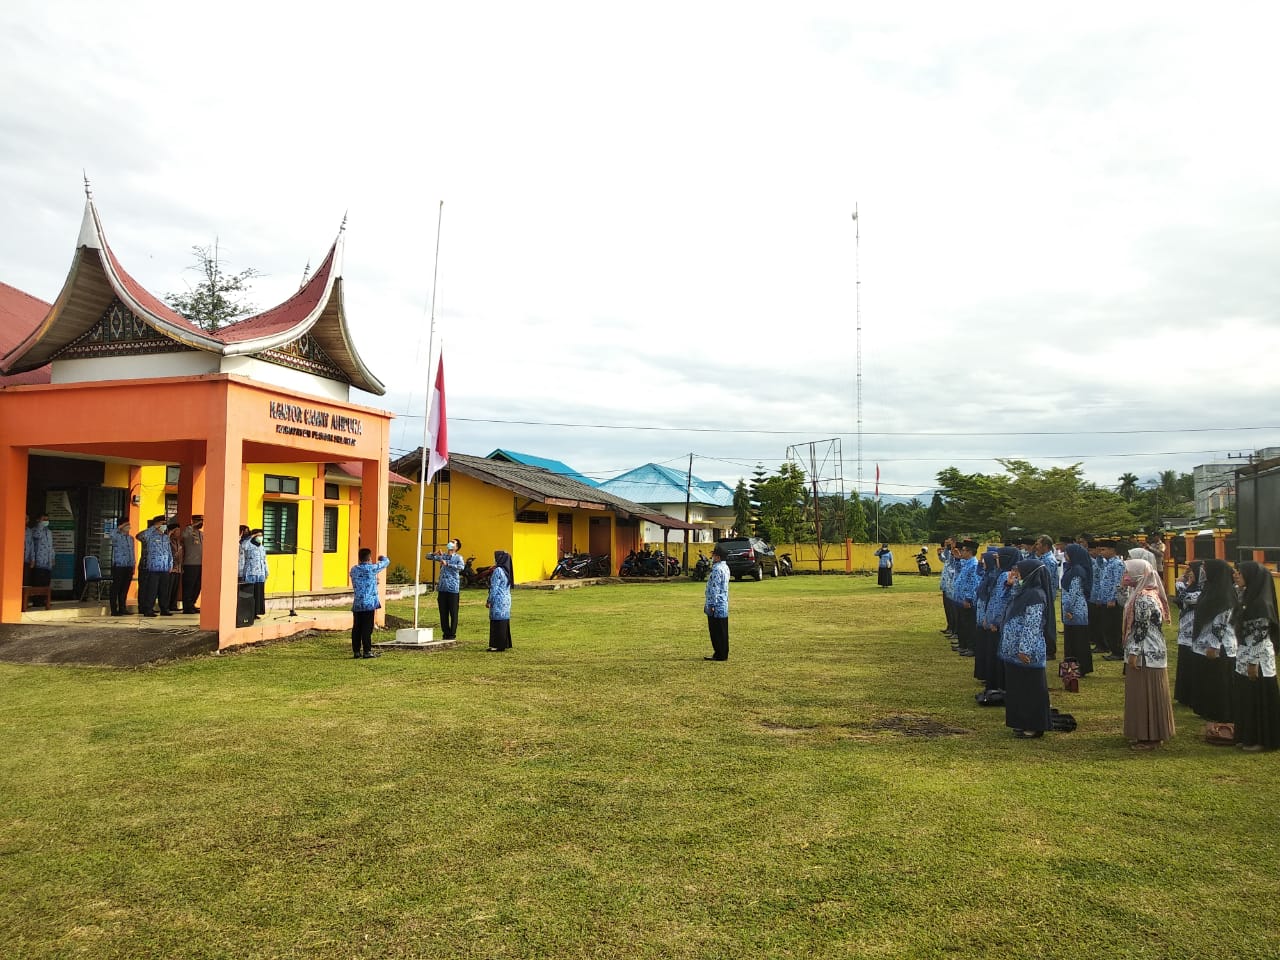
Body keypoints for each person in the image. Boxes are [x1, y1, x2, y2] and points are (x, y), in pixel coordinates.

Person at [1121, 558, 1174, 750]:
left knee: (1146, 694)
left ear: (1137, 574)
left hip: (1145, 652)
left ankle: (1149, 737)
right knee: (1148, 694)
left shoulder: (1143, 597)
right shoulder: (1147, 592)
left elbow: (1141, 628)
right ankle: (1148, 733)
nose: (1124, 576)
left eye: (1127, 572)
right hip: (1153, 651)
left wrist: (1133, 652)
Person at [999, 558, 1054, 739]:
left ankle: (1033, 725)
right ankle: (1021, 721)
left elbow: (1032, 625)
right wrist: (1011, 583)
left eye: (1020, 573)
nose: (1017, 576)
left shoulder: (1036, 596)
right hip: (1012, 649)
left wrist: (1025, 649)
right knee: (1018, 689)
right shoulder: (1024, 592)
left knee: (1031, 689)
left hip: (1026, 651)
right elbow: (1008, 599)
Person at [1232, 562, 1280, 752]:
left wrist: (1253, 663)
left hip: (1258, 658)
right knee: (1247, 697)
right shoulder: (1246, 596)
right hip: (1244, 654)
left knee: (1259, 699)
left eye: (1240, 573)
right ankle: (1247, 736)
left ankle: (1262, 739)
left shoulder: (1261, 604)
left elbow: (1260, 635)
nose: (1236, 575)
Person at [1191, 558, 1240, 725]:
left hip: (1220, 646)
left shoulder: (1224, 593)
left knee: (1221, 681)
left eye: (1205, 568)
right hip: (1205, 643)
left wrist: (1214, 645)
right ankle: (1208, 709)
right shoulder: (1210, 588)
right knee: (1209, 679)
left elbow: (1221, 621)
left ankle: (1222, 713)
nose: (1202, 571)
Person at [1172, 561, 1205, 709]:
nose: (1188, 573)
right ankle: (1183, 695)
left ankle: (1192, 695)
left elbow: (1187, 599)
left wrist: (1181, 584)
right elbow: (1179, 600)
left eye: (1191, 571)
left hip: (1194, 631)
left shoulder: (1203, 589)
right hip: (1185, 630)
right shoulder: (1191, 587)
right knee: (1184, 661)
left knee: (1192, 662)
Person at [349, 547, 390, 658]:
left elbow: (361, 581)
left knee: (357, 627)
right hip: (369, 604)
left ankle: (356, 651)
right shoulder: (371, 568)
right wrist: (382, 557)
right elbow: (386, 562)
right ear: (369, 558)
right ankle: (367, 651)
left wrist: (373, 581)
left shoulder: (354, 569)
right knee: (367, 628)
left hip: (357, 603)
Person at [1059, 542, 1094, 676]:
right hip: (1074, 609)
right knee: (1072, 639)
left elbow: (1073, 592)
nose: (1065, 555)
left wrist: (1068, 609)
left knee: (1078, 640)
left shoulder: (1077, 571)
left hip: (1075, 610)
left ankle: (1078, 667)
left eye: (1067, 553)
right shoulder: (1072, 568)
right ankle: (1071, 667)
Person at [425, 538, 465, 640]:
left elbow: (461, 567)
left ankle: (452, 634)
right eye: (450, 542)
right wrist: (435, 553)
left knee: (453, 612)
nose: (450, 544)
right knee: (443, 612)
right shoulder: (443, 556)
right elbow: (428, 556)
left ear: (456, 547)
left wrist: (448, 564)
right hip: (442, 588)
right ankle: (445, 632)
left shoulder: (458, 557)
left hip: (453, 589)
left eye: (453, 543)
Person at [135, 515, 173, 617]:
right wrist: (154, 527)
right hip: (153, 567)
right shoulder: (149, 536)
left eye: (165, 524)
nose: (164, 526)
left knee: (164, 590)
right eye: (162, 523)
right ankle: (148, 609)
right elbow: (139, 536)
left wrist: (170, 564)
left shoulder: (165, 537)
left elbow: (169, 552)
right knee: (151, 590)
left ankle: (164, 609)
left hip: (164, 567)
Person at [952, 539, 980, 657]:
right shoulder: (966, 562)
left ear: (969, 552)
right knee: (961, 623)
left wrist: (968, 598)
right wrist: (957, 558)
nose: (961, 552)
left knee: (969, 624)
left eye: (963, 551)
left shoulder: (974, 565)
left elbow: (974, 583)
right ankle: (962, 644)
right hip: (959, 598)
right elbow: (957, 570)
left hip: (966, 600)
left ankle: (970, 647)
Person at [703, 543, 729, 661]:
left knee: (716, 630)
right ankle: (723, 653)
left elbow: (715, 588)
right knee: (723, 630)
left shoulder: (717, 569)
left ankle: (719, 653)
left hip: (716, 604)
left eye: (713, 555)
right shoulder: (726, 567)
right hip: (723, 603)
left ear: (718, 557)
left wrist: (712, 604)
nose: (712, 557)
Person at [486, 549, 515, 652]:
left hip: (498, 599)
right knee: (504, 621)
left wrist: (489, 600)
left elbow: (494, 587)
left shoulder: (498, 571)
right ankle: (504, 642)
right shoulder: (507, 571)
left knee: (496, 622)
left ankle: (496, 645)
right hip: (506, 599)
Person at [239, 528, 269, 620]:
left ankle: (256, 612)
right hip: (250, 573)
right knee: (250, 594)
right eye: (258, 536)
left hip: (260, 574)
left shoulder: (261, 547)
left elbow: (264, 560)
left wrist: (266, 571)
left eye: (261, 536)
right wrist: (250, 537)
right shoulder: (248, 545)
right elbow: (243, 546)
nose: (260, 537)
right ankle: (249, 613)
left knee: (258, 594)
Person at [108, 520, 136, 616]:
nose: (129, 526)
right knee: (116, 588)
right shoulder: (117, 537)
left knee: (125, 588)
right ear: (122, 526)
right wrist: (119, 527)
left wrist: (133, 564)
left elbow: (132, 553)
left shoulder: (130, 539)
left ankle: (122, 608)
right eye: (127, 525)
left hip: (128, 566)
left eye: (129, 524)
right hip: (119, 565)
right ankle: (114, 609)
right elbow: (110, 534)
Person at [181, 515, 204, 614]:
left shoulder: (201, 534)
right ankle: (187, 606)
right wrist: (192, 525)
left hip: (201, 564)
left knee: (197, 586)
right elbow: (183, 536)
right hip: (190, 564)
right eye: (199, 521)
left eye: (202, 521)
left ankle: (192, 604)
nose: (201, 523)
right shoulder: (189, 532)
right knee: (189, 586)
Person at [25, 511, 54, 590]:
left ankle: (44, 600)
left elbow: (51, 546)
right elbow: (37, 536)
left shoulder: (49, 532)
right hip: (39, 562)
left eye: (47, 520)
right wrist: (40, 525)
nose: (46, 521)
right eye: (43, 519)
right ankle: (37, 601)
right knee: (38, 583)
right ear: (38, 520)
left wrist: (52, 558)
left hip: (48, 563)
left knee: (46, 583)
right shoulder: (33, 530)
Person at [166, 519, 184, 612]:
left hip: (178, 568)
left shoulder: (179, 541)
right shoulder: (168, 540)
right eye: (177, 531)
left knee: (175, 588)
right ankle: (167, 605)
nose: (179, 533)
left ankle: (173, 605)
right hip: (171, 568)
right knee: (169, 588)